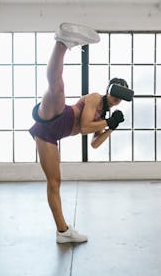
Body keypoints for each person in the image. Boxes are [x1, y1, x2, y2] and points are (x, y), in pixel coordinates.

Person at [29, 23, 131, 243]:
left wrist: (111, 127)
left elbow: (94, 143)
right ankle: (62, 42)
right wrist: (107, 121)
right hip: (57, 115)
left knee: (54, 182)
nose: (116, 99)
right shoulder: (95, 98)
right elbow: (85, 127)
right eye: (115, 93)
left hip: (50, 136)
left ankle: (63, 232)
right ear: (108, 90)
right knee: (57, 88)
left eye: (120, 97)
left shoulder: (106, 115)